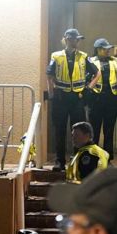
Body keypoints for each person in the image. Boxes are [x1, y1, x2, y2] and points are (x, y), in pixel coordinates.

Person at [57, 121, 110, 234]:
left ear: (87, 134)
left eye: (76, 134)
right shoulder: (91, 153)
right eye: (72, 134)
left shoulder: (88, 154)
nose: (73, 137)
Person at [47, 28, 98, 171]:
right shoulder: (56, 56)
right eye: (73, 39)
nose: (76, 41)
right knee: (60, 130)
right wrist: (52, 94)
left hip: (77, 98)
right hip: (61, 97)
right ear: (67, 39)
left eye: (77, 39)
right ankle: (59, 161)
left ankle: (78, 160)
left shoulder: (83, 56)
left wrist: (89, 88)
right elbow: (49, 75)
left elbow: (96, 73)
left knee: (79, 131)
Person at [87, 37, 117, 158]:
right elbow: (85, 77)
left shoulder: (115, 62)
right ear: (98, 50)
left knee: (109, 130)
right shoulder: (90, 61)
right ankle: (94, 156)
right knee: (94, 129)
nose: (108, 51)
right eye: (105, 49)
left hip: (111, 100)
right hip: (95, 100)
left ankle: (108, 156)